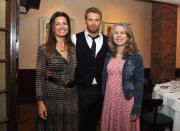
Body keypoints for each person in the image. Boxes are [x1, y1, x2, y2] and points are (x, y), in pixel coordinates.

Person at [35, 11, 79, 131]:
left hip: (72, 96)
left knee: (70, 126)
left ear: (68, 27)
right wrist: (40, 102)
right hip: (52, 95)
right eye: (57, 24)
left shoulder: (74, 49)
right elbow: (39, 78)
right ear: (52, 27)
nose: (61, 27)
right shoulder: (43, 49)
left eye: (64, 23)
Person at [101, 22, 144, 131]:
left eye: (122, 33)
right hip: (109, 100)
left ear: (128, 36)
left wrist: (137, 108)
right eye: (116, 33)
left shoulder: (136, 57)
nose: (119, 36)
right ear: (112, 36)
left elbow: (139, 84)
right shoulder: (108, 55)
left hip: (126, 100)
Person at [71, 7, 109, 131]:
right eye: (90, 20)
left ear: (100, 21)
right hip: (81, 90)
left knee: (94, 123)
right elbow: (66, 59)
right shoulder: (74, 38)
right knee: (81, 124)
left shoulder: (108, 41)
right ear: (85, 20)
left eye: (97, 20)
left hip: (100, 90)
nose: (93, 23)